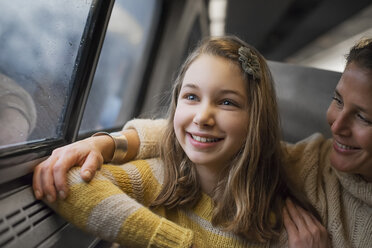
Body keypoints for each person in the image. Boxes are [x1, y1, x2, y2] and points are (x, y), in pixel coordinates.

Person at [33, 36, 329, 247]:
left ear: (256, 120)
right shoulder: (160, 177)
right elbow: (69, 182)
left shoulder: (281, 222)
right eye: (191, 97)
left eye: (226, 102)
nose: (202, 117)